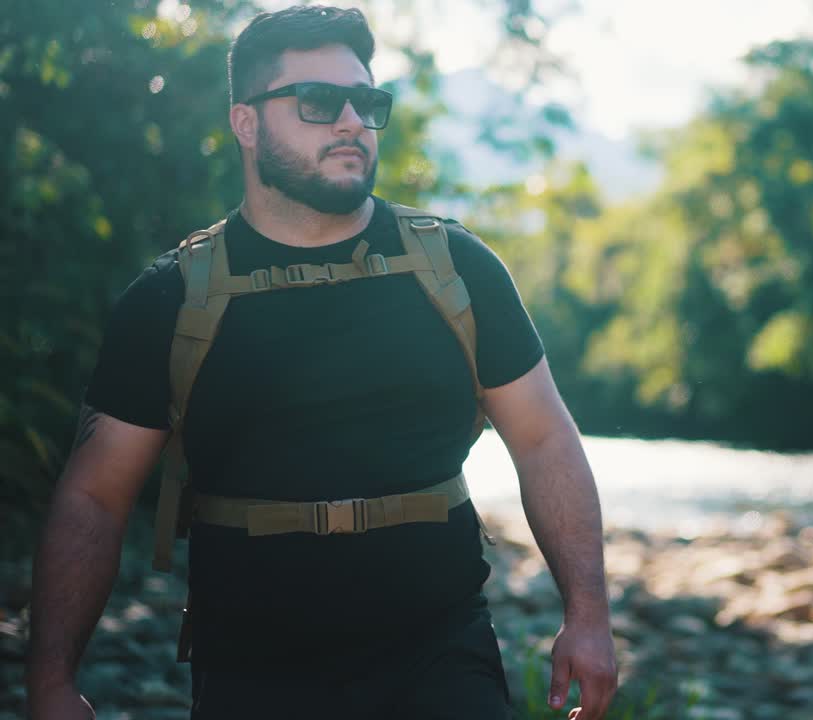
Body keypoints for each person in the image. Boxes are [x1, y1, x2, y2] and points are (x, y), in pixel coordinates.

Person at [23, 6, 617, 719]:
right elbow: (95, 495)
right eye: (318, 101)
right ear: (246, 123)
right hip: (253, 672)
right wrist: (51, 681)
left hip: (441, 659)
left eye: (366, 102)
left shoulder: (457, 267)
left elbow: (545, 439)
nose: (351, 122)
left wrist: (588, 616)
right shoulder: (170, 299)